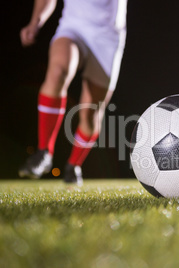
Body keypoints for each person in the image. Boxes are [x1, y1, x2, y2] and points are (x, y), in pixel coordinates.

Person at [19, 0, 127, 185]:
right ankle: (44, 152)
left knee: (91, 111)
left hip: (108, 36)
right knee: (57, 71)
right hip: (74, 26)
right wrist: (35, 22)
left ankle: (73, 166)